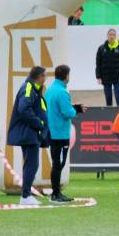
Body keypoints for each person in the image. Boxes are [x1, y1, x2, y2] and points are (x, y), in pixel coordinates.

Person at [5, 66, 49, 207]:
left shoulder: (34, 89)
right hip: (29, 133)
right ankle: (25, 196)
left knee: (30, 164)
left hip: (31, 133)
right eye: (44, 76)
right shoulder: (28, 87)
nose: (45, 79)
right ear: (39, 77)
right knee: (32, 164)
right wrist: (39, 123)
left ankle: (26, 195)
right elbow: (23, 109)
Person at [45, 65, 86, 204]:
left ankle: (56, 193)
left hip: (52, 131)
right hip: (60, 134)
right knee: (58, 164)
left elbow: (57, 108)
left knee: (56, 163)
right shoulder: (62, 92)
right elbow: (67, 112)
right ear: (66, 76)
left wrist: (74, 107)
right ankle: (56, 194)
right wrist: (76, 110)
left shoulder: (50, 90)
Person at [95, 28, 119, 106]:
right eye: (110, 34)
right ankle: (109, 117)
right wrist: (98, 76)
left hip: (117, 77)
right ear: (107, 36)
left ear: (115, 36)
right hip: (106, 77)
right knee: (108, 100)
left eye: (113, 35)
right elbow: (98, 63)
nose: (112, 36)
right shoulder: (101, 48)